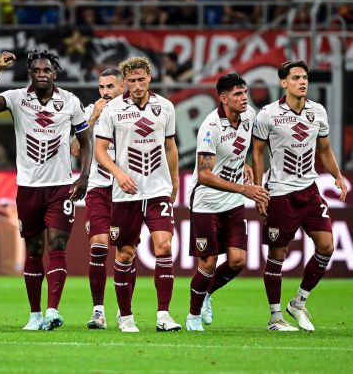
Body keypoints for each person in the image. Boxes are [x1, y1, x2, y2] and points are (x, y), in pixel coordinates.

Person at [0, 50, 91, 330]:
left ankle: (52, 311)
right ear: (30, 74)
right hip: (28, 187)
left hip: (61, 186)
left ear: (55, 73)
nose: (42, 74)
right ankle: (35, 314)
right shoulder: (17, 98)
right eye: (36, 70)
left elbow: (85, 141)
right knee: (35, 247)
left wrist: (84, 176)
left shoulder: (70, 102)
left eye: (47, 70)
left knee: (58, 244)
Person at [252, 60, 347, 332]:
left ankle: (299, 302)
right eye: (295, 78)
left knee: (327, 245)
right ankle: (274, 317)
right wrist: (259, 190)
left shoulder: (318, 112)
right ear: (284, 82)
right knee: (277, 254)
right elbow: (258, 153)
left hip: (310, 191)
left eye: (304, 77)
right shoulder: (268, 114)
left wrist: (337, 176)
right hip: (281, 193)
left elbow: (325, 151)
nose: (302, 82)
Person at [94, 56, 181, 333]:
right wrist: (119, 174)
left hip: (158, 190)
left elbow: (170, 147)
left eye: (141, 79)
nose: (137, 85)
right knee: (125, 253)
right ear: (125, 83)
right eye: (131, 81)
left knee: (164, 246)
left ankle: (164, 315)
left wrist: (174, 182)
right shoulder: (113, 110)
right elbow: (99, 151)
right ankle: (126, 316)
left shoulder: (165, 107)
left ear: (149, 78)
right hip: (125, 193)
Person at [185, 73, 269, 331]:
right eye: (237, 95)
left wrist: (242, 165)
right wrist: (245, 189)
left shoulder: (250, 116)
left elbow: (241, 149)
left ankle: (207, 294)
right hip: (206, 203)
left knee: (237, 261)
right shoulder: (210, 127)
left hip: (233, 202)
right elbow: (204, 174)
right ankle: (193, 315)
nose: (244, 98)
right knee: (208, 263)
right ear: (223, 99)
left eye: (245, 92)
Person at [71, 68, 124, 329]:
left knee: (126, 252)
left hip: (127, 190)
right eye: (102, 87)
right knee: (99, 246)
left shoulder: (132, 111)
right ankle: (98, 311)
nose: (105, 92)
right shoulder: (92, 110)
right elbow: (73, 148)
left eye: (111, 87)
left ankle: (125, 312)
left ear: (123, 87)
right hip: (98, 188)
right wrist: (92, 118)